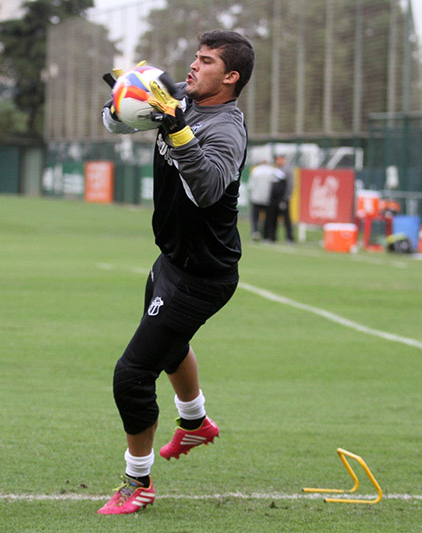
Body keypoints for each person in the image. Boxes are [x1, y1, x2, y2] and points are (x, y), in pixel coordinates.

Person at [98, 30, 255, 515]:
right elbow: (115, 125)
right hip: (172, 259)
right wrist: (124, 99)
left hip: (204, 275)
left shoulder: (226, 127)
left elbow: (207, 187)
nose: (192, 66)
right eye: (195, 57)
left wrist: (177, 124)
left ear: (229, 77)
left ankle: (137, 483)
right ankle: (196, 421)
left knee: (131, 374)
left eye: (206, 62)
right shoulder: (180, 100)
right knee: (168, 344)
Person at [264, 154, 294, 244]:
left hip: (283, 199)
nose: (279, 161)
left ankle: (290, 238)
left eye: (281, 159)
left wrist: (285, 198)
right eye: (277, 159)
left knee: (286, 219)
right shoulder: (274, 170)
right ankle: (271, 237)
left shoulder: (288, 170)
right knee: (272, 218)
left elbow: (290, 185)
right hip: (273, 199)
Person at [246, 159, 276, 241]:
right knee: (268, 218)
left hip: (256, 197)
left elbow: (251, 185)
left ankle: (255, 231)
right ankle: (266, 234)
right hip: (268, 198)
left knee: (255, 217)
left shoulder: (256, 171)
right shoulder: (272, 171)